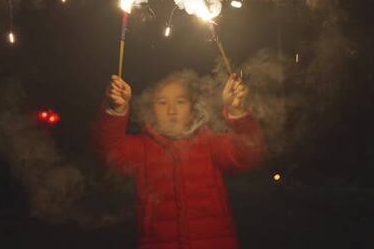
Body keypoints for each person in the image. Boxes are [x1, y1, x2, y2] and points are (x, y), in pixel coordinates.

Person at [91, 70, 265, 249]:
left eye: (181, 102)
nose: (172, 111)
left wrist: (237, 112)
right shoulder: (142, 148)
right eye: (162, 102)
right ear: (151, 109)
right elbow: (109, 152)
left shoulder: (210, 143)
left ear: (192, 108)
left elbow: (248, 155)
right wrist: (116, 109)